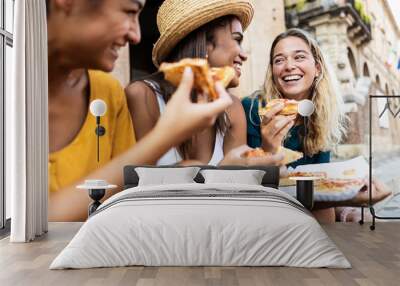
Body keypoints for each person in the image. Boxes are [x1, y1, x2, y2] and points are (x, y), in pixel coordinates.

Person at [46, 0, 234, 221]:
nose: (136, 36)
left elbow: (125, 195)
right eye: (129, 12)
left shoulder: (109, 92)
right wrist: (166, 136)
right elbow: (30, 221)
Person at [242, 28, 391, 223]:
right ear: (273, 72)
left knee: (368, 223)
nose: (288, 66)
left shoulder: (320, 115)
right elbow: (252, 185)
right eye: (279, 60)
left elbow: (319, 187)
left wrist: (346, 208)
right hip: (262, 209)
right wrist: (269, 150)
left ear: (317, 68)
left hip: (308, 209)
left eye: (299, 57)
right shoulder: (251, 109)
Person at [126, 0, 284, 167]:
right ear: (206, 45)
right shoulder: (142, 95)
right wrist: (221, 171)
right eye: (237, 40)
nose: (244, 55)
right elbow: (138, 182)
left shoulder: (233, 108)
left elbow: (238, 188)